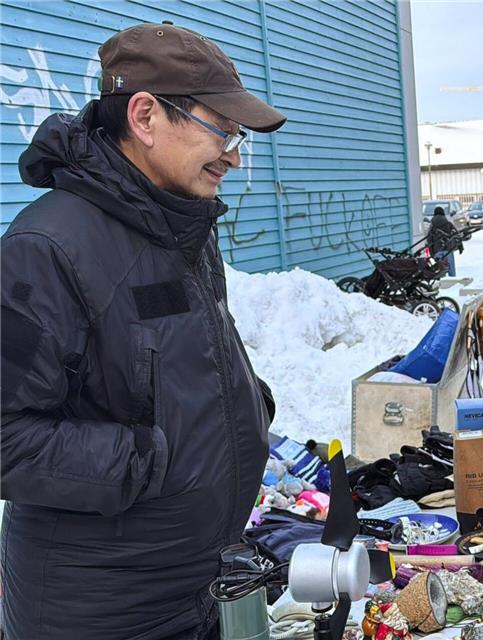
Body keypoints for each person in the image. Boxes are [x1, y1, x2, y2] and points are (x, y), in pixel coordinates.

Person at [1, 22, 285, 639]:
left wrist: (243, 408)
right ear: (146, 114)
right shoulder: (44, 248)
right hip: (98, 610)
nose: (234, 155)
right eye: (223, 130)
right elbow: (8, 437)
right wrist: (149, 461)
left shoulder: (180, 227)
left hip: (190, 587)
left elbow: (159, 365)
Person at [426, 204, 463, 277]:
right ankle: (453, 282)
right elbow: (456, 235)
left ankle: (442, 283)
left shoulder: (432, 226)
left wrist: (431, 253)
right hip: (448, 249)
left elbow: (429, 240)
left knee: (440, 270)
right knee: (451, 268)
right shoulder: (448, 224)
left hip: (437, 250)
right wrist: (460, 246)